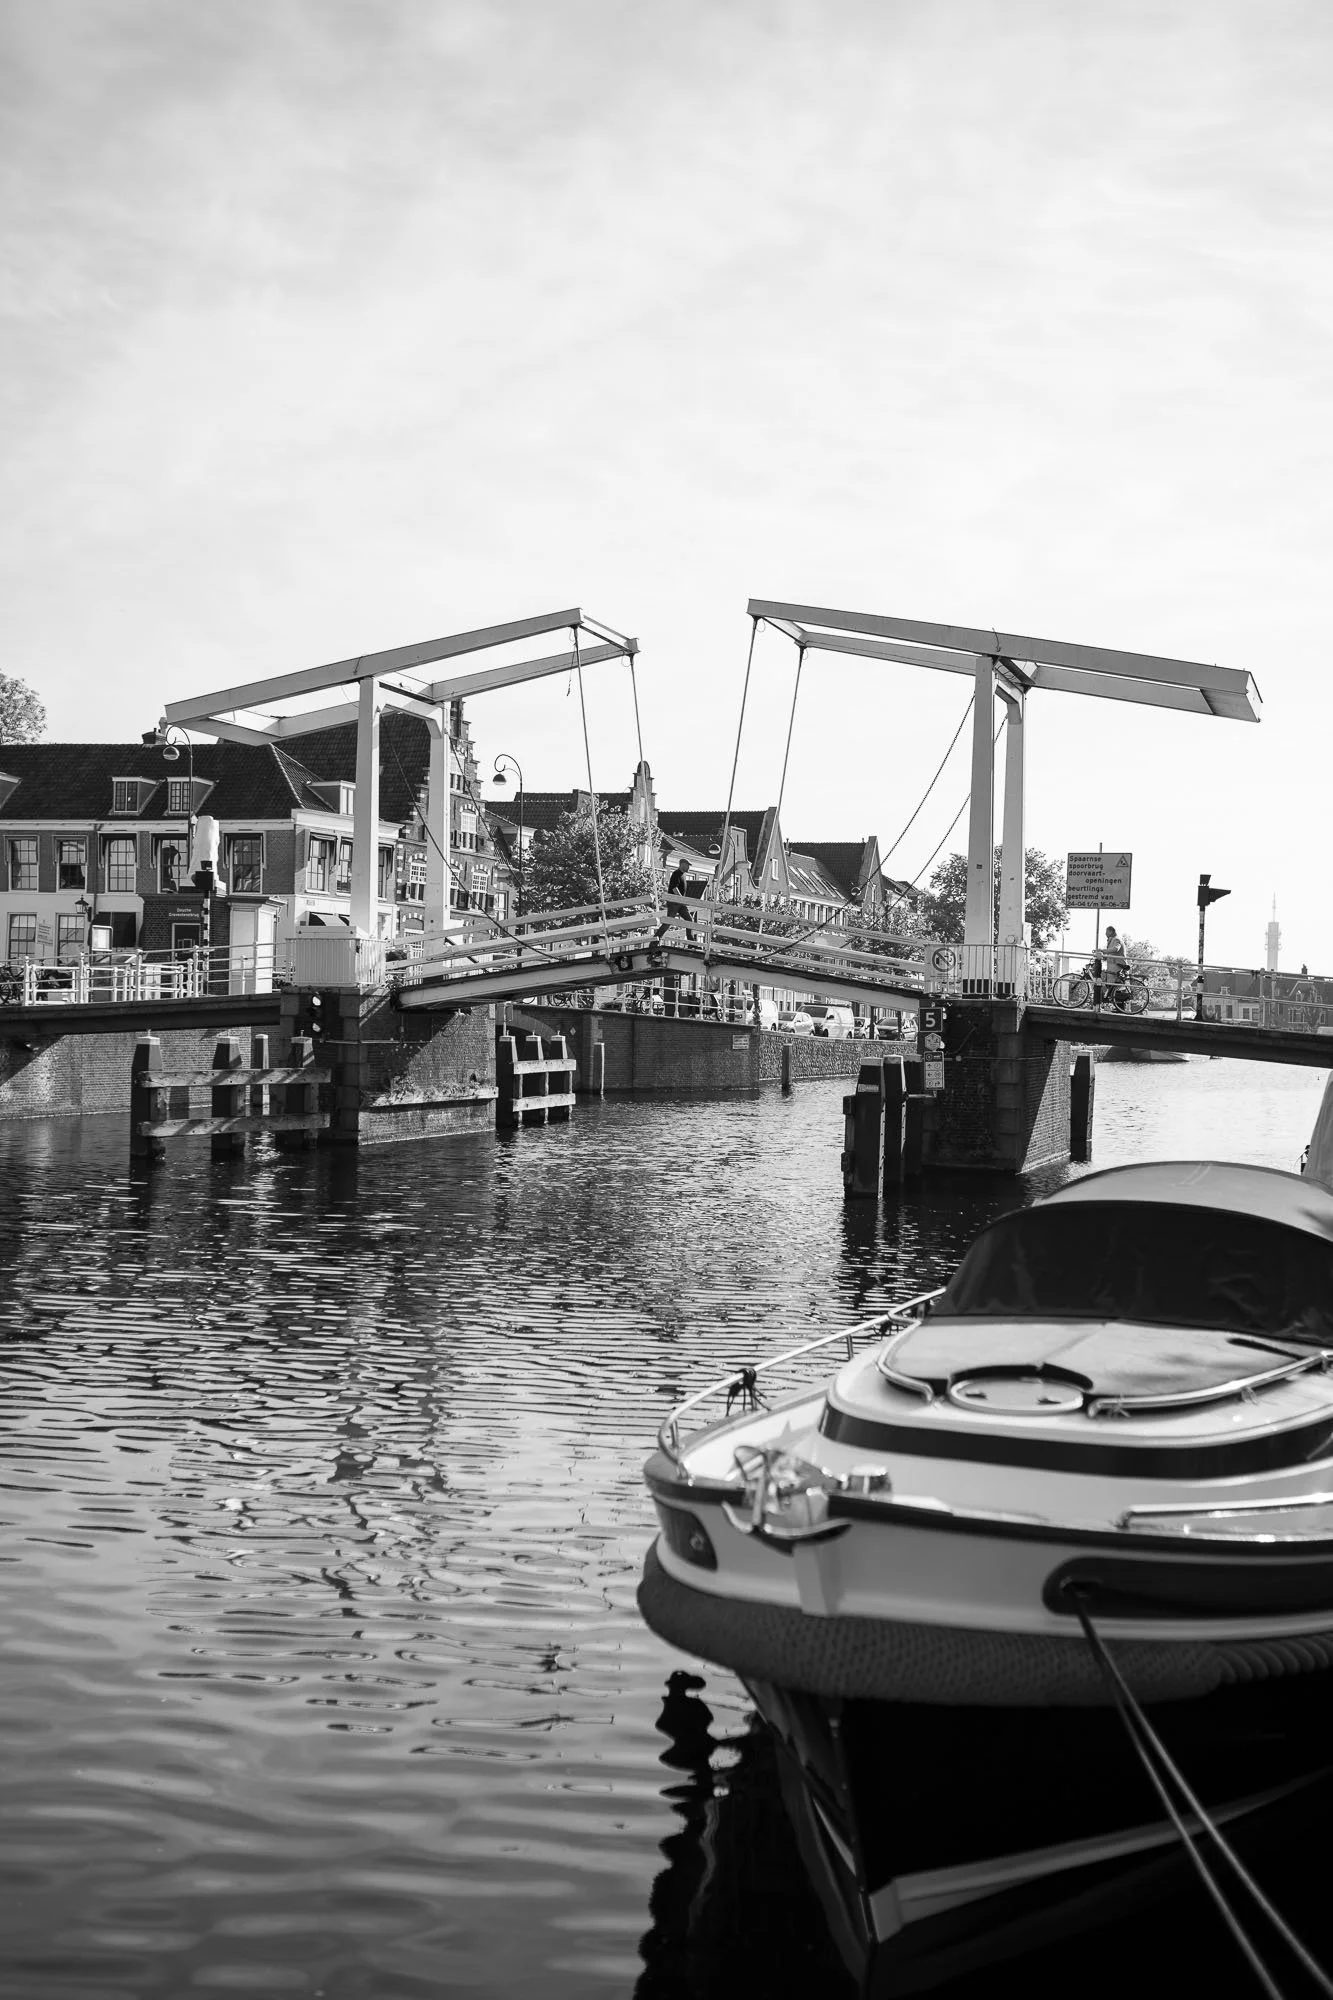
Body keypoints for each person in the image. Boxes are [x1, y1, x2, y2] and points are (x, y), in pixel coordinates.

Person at [1101, 925, 1128, 1009]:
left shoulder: (1116, 939)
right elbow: (1110, 953)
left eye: (1106, 932)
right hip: (1113, 966)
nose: (1105, 933)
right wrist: (1103, 956)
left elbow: (1116, 949)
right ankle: (1118, 1008)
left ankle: (1120, 1008)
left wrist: (1103, 950)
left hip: (1117, 966)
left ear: (1111, 932)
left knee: (1117, 986)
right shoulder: (1111, 940)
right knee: (1115, 986)